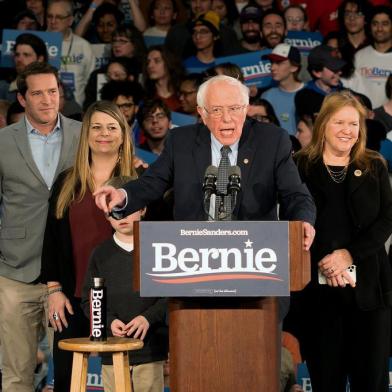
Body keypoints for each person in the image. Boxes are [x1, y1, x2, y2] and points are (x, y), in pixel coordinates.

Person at [94, 74, 315, 246]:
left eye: (235, 109)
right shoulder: (181, 141)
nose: (227, 118)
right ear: (202, 113)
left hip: (255, 253)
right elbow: (152, 182)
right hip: (194, 255)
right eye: (217, 110)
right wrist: (123, 195)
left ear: (246, 108)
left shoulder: (272, 140)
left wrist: (303, 222)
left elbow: (295, 194)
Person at [294, 91, 392, 391]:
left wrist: (348, 256)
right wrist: (330, 262)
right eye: (340, 122)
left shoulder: (374, 165)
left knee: (370, 382)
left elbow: (386, 220)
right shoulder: (299, 166)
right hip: (318, 295)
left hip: (369, 293)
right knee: (326, 381)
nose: (348, 130)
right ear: (323, 124)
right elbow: (293, 219)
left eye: (354, 124)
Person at [41, 100, 136, 392]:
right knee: (68, 383)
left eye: (111, 127)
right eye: (96, 127)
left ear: (123, 133)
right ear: (86, 134)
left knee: (122, 385)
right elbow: (51, 241)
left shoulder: (140, 182)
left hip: (126, 305)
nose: (103, 133)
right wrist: (54, 290)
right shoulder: (67, 182)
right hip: (72, 299)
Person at [0, 61, 81, 392]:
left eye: (53, 91)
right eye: (38, 93)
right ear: (22, 99)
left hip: (65, 273)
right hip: (14, 271)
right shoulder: (3, 141)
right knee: (16, 374)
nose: (48, 100)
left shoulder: (84, 133)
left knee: (68, 375)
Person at [81, 176, 168, 392]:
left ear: (143, 209)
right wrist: (109, 322)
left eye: (128, 208)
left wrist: (148, 318)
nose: (122, 216)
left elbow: (172, 294)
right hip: (112, 350)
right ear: (106, 214)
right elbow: (89, 300)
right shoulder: (100, 255)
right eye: (115, 210)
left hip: (150, 350)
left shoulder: (161, 248)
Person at [46, 0, 96, 106]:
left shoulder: (83, 46)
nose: (53, 21)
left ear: (70, 20)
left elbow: (91, 83)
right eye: (50, 16)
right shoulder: (37, 44)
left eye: (59, 17)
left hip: (76, 110)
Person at [342, 6, 392, 108]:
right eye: (375, 24)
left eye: (385, 24)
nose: (379, 29)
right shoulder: (360, 55)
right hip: (364, 117)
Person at [261, 43, 304, 135]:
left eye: (279, 62)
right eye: (271, 62)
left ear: (294, 67)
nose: (272, 67)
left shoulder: (310, 94)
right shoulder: (267, 96)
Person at [143, 45, 184, 112]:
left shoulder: (182, 95)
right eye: (148, 62)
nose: (150, 66)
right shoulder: (145, 98)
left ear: (169, 63)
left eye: (157, 61)